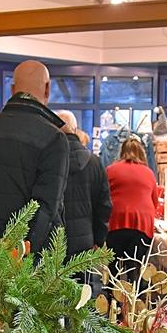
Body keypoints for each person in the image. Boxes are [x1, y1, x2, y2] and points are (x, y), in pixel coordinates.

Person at [0, 59, 69, 254]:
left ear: (13, 89)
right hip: (31, 261)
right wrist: (21, 256)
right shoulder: (53, 139)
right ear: (47, 89)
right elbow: (45, 210)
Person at [55, 110, 112, 258]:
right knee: (84, 281)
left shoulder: (48, 160)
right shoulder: (94, 162)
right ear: (75, 129)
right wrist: (99, 239)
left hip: (54, 242)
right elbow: (104, 205)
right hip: (85, 241)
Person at [105, 137, 158, 281]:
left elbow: (103, 197)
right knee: (134, 267)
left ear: (121, 152)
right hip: (142, 224)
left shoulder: (111, 170)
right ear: (142, 153)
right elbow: (155, 201)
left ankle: (111, 299)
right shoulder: (149, 173)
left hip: (116, 222)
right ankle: (133, 299)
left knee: (113, 268)